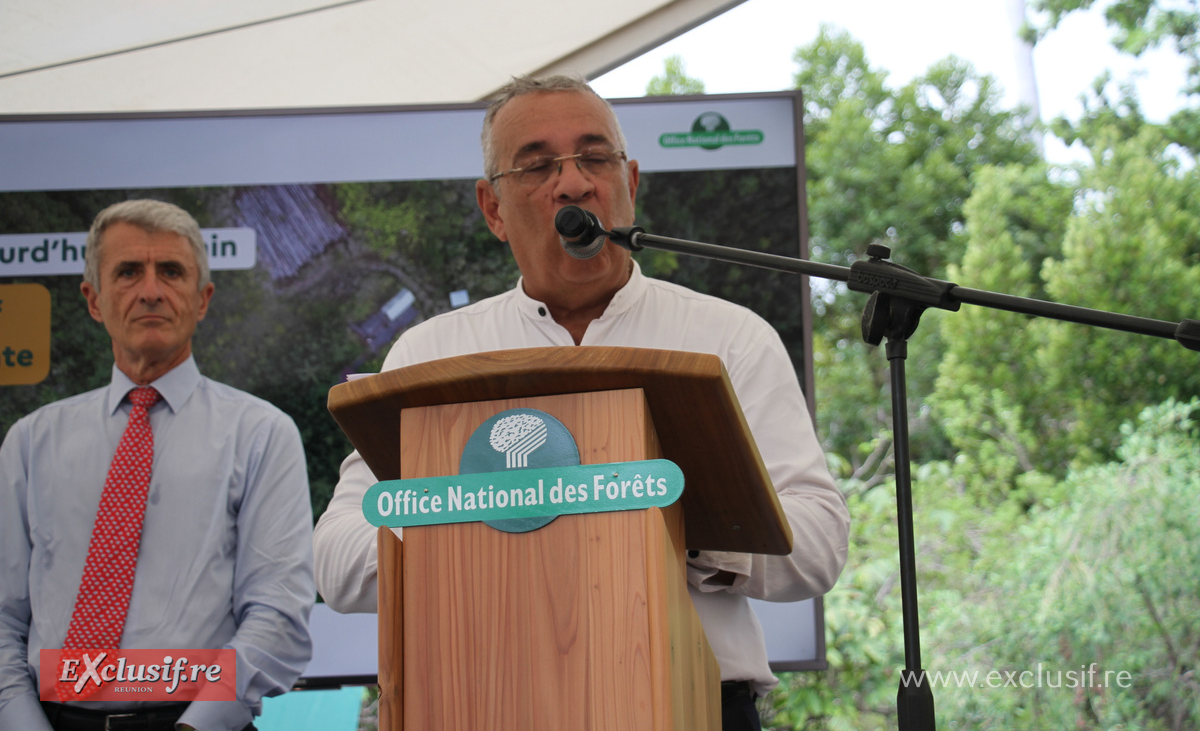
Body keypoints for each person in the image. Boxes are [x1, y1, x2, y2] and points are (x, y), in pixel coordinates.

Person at [313, 75, 849, 730]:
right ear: (493, 210)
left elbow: (818, 541)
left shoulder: (726, 339)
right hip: (480, 705)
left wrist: (669, 531)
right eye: (537, 166)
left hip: (693, 705)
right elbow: (338, 560)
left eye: (596, 159)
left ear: (631, 184)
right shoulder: (429, 359)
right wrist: (472, 527)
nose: (573, 184)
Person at [0, 200, 314, 731]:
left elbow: (278, 616)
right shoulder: (31, 442)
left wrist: (195, 728)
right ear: (93, 300)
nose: (150, 291)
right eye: (127, 272)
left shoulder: (260, 433)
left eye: (171, 271)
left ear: (203, 299)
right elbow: (4, 618)